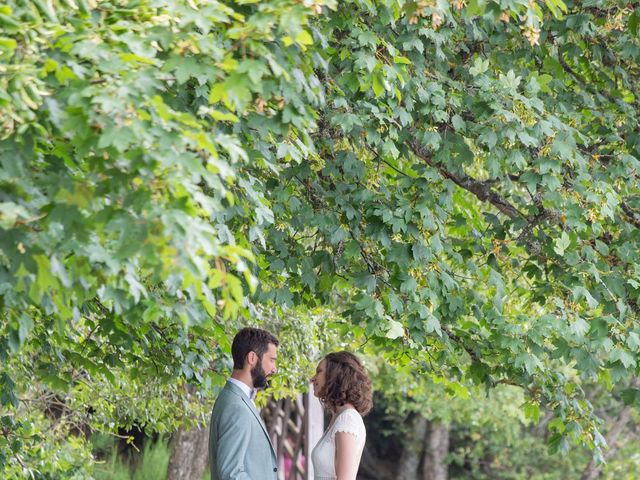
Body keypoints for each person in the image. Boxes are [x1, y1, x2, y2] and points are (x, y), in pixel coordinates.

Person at [209, 327, 279, 480]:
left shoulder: (236, 399)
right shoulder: (236, 407)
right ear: (252, 358)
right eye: (272, 360)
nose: (274, 369)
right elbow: (231, 474)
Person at [310, 351, 373, 480]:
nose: (312, 378)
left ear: (335, 376)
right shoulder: (339, 417)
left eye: (319, 371)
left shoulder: (347, 419)